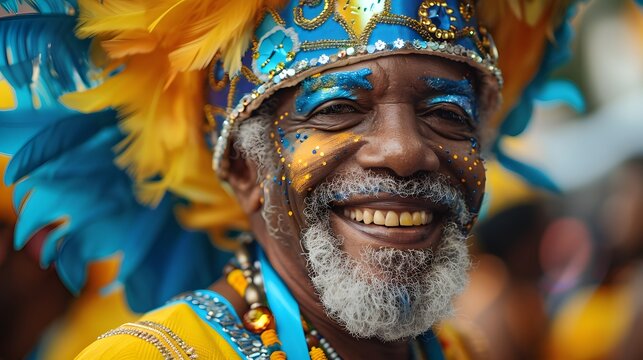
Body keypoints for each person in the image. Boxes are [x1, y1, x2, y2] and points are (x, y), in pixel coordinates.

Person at [0, 0, 580, 358]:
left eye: (447, 115)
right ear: (243, 168)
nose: (405, 152)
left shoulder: (461, 352)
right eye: (336, 110)